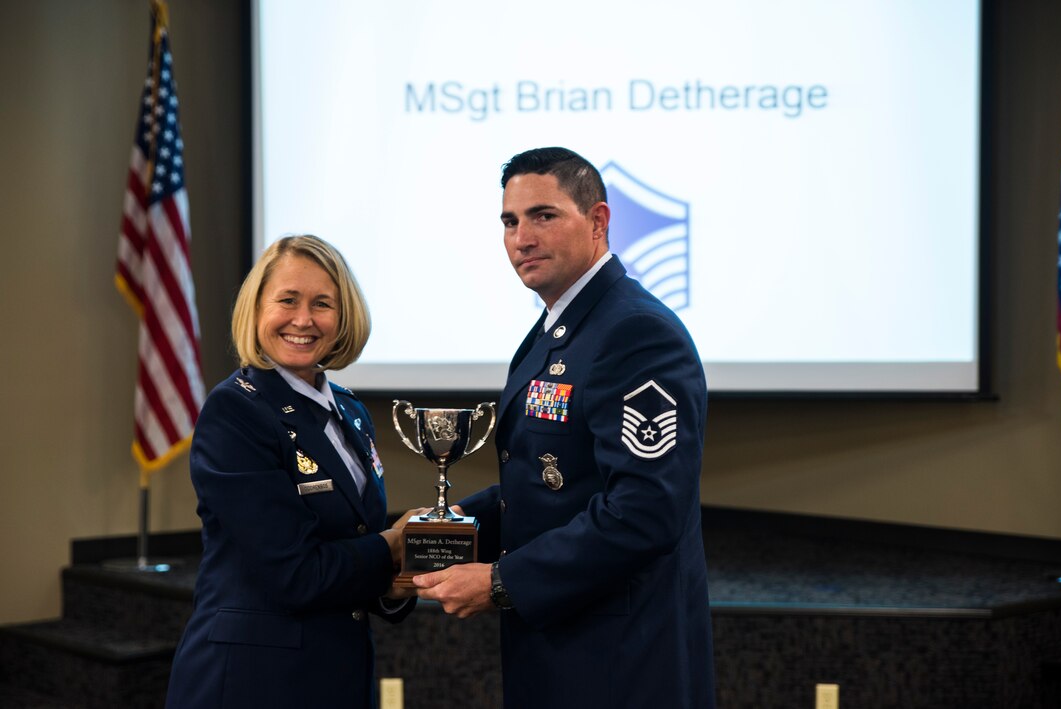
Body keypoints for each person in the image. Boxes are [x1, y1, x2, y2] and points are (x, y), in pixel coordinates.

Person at [414, 148, 716, 707]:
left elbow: (645, 511)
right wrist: (445, 525)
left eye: (543, 216)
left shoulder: (635, 332)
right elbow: (552, 482)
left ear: (598, 221)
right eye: (510, 221)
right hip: (562, 646)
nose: (521, 237)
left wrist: (502, 582)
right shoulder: (559, 329)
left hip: (619, 660)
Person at [165, 235, 423, 709]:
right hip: (253, 682)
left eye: (322, 304)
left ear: (343, 317)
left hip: (335, 674)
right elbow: (296, 573)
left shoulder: (348, 410)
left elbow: (352, 538)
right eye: (287, 300)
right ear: (257, 308)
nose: (303, 320)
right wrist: (393, 544)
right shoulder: (234, 412)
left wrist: (401, 578)